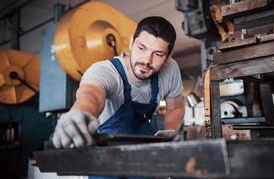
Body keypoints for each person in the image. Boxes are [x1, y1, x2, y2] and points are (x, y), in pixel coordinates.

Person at [52, 16, 185, 149]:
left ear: (168, 57)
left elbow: (176, 107)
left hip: (144, 154)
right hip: (105, 156)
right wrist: (80, 112)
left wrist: (170, 132)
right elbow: (91, 95)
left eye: (158, 54)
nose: (146, 60)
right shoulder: (105, 71)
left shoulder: (170, 70)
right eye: (141, 48)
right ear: (131, 42)